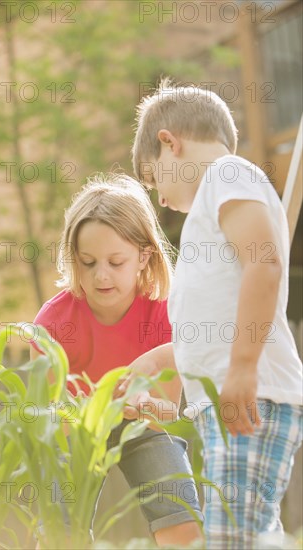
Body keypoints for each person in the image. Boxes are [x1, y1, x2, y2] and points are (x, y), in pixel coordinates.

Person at [124, 78, 303, 549]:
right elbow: (213, 322)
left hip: (252, 392)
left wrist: (243, 367)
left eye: (154, 179)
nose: (160, 199)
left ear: (170, 143)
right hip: (231, 400)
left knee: (235, 539)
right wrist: (160, 360)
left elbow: (264, 264)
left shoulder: (226, 175)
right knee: (246, 534)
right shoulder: (210, 212)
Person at [31, 173, 203, 547]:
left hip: (141, 429)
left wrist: (143, 406)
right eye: (88, 262)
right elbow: (49, 419)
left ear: (144, 256)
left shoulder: (163, 316)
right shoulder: (53, 324)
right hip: (75, 433)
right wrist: (91, 410)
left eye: (115, 261)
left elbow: (166, 411)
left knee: (177, 506)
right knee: (60, 521)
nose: (101, 275)